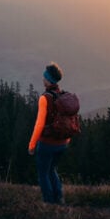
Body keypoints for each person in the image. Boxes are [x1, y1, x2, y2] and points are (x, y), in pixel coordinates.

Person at [28, 62, 71, 204]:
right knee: (52, 169)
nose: (42, 79)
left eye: (44, 77)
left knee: (43, 174)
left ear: (49, 79)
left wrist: (32, 144)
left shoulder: (45, 98)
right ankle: (59, 198)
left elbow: (39, 124)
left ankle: (49, 203)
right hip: (62, 144)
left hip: (47, 143)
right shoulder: (62, 96)